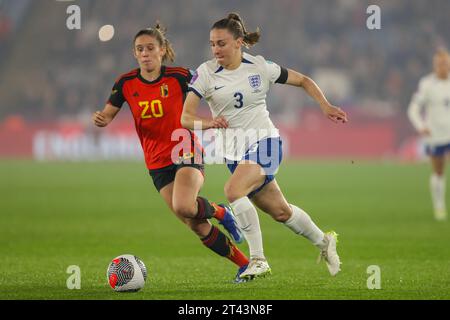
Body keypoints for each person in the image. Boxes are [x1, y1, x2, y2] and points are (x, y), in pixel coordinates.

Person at [182, 13, 348, 280]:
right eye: (212, 44)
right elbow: (186, 118)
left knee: (233, 190)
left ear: (238, 42)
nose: (216, 49)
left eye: (221, 43)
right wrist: (209, 123)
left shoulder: (259, 66)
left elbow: (304, 80)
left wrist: (325, 105)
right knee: (281, 212)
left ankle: (258, 260)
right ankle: (324, 242)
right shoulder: (205, 73)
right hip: (234, 153)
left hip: (265, 142)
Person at [92, 24, 250, 282]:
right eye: (140, 49)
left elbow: (211, 87)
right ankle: (244, 264)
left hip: (183, 146)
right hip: (155, 160)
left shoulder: (179, 76)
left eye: (150, 48)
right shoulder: (125, 83)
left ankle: (221, 213)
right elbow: (107, 114)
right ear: (135, 54)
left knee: (183, 205)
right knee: (195, 223)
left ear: (162, 51)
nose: (145, 54)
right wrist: (101, 119)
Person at [408, 48, 450, 221]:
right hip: (435, 135)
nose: (443, 66)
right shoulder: (427, 84)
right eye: (440, 64)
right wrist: (420, 126)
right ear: (434, 65)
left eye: (446, 63)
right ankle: (439, 206)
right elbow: (413, 109)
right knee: (438, 171)